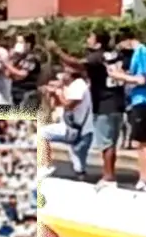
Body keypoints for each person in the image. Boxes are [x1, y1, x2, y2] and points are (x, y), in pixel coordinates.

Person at [47, 29, 127, 188]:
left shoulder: (96, 56)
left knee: (106, 143)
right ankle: (108, 175)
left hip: (105, 103)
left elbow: (76, 63)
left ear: (98, 42)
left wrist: (57, 51)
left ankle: (108, 177)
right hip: (118, 101)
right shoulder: (114, 55)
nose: (88, 40)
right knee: (110, 142)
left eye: (90, 37)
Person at [107, 26, 146, 193]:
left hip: (143, 101)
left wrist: (119, 76)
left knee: (142, 143)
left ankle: (145, 179)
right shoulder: (140, 53)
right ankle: (144, 178)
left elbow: (141, 79)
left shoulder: (142, 52)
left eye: (121, 44)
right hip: (139, 101)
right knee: (141, 142)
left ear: (127, 39)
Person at [37, 69, 94, 182]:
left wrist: (58, 92)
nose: (61, 76)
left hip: (78, 128)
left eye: (64, 74)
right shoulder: (71, 87)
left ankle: (46, 165)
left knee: (42, 133)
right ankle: (80, 175)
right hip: (73, 127)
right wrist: (52, 94)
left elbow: (69, 105)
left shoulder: (79, 85)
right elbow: (57, 105)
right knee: (79, 167)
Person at [7, 32, 43, 111]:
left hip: (27, 95)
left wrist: (7, 65)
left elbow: (22, 75)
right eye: (17, 42)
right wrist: (11, 59)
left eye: (20, 42)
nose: (17, 45)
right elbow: (8, 74)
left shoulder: (31, 58)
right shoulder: (18, 59)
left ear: (28, 44)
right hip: (15, 94)